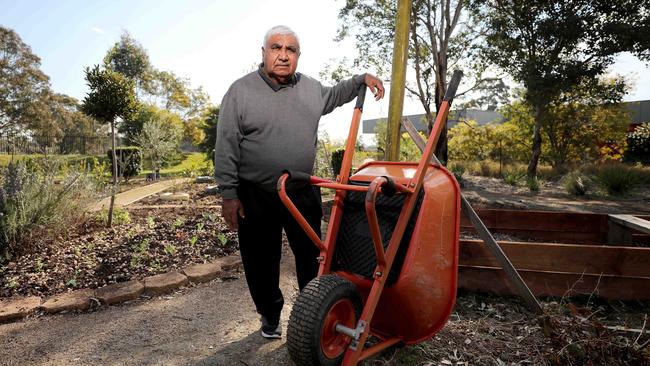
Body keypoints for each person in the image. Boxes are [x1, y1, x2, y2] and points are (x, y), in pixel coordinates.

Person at [214, 25, 385, 339]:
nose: (283, 55)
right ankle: (270, 316)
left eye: (290, 50)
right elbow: (226, 144)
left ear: (298, 56)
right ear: (263, 53)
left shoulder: (311, 89)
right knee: (260, 261)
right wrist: (228, 193)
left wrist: (360, 79)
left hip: (301, 190)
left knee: (314, 257)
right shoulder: (240, 91)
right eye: (276, 47)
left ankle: (314, 315)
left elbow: (336, 95)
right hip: (257, 193)